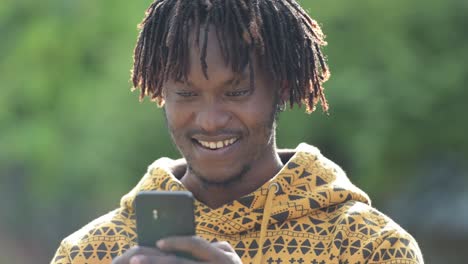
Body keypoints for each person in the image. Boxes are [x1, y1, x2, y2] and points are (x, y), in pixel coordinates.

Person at [51, 0, 423, 263]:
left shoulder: (369, 248)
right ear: (160, 94)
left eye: (237, 92)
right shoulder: (90, 253)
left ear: (283, 85)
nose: (210, 120)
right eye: (186, 94)